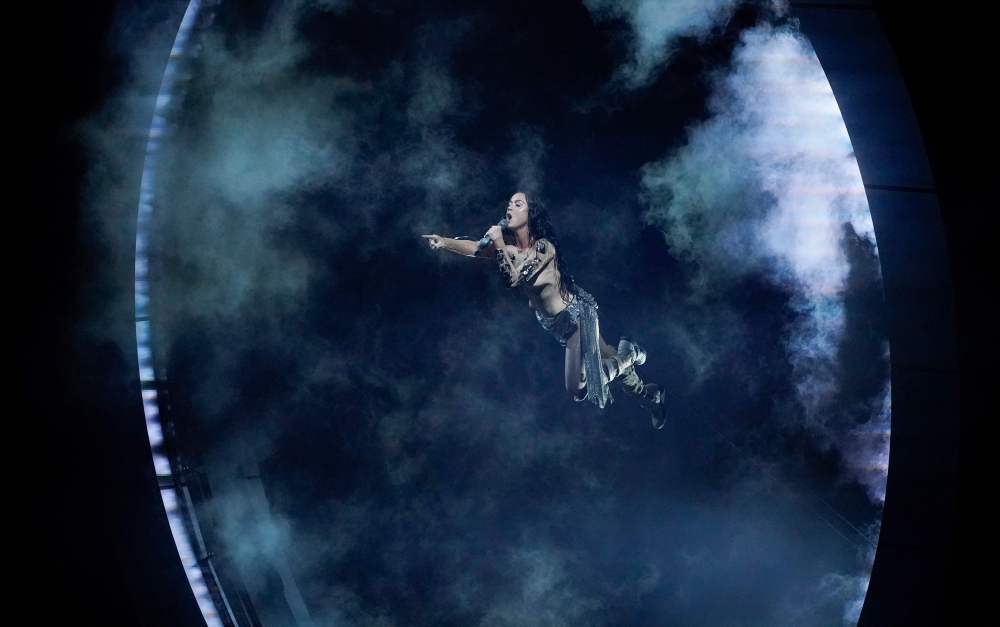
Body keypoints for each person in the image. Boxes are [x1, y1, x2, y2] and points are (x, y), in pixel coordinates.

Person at [422, 192, 666, 429]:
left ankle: (630, 353)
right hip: (556, 323)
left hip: (577, 318)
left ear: (531, 215)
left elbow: (513, 280)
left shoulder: (542, 248)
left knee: (579, 387)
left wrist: (497, 242)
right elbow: (475, 247)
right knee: (608, 356)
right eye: (509, 204)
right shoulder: (509, 249)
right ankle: (650, 398)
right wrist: (444, 242)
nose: (509, 208)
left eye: (517, 204)